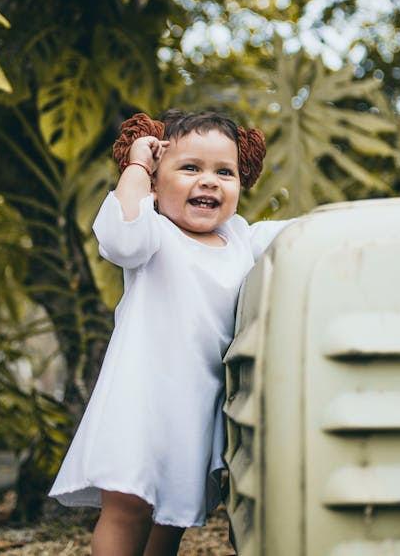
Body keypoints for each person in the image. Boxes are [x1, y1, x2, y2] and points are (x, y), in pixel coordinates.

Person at [49, 110, 293, 556]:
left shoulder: (240, 237)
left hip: (197, 408)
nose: (210, 181)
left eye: (225, 171)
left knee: (174, 516)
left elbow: (299, 237)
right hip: (140, 400)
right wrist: (138, 165)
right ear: (156, 187)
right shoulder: (153, 234)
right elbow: (120, 239)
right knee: (129, 508)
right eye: (190, 168)